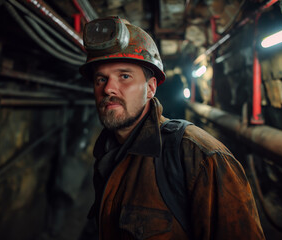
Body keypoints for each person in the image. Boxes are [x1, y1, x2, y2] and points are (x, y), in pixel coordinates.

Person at [79, 16, 265, 240]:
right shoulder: (107, 152)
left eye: (124, 76)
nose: (109, 88)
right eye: (101, 79)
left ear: (150, 88)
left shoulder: (200, 157)